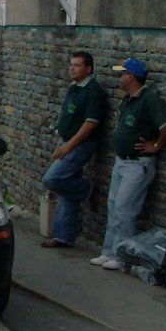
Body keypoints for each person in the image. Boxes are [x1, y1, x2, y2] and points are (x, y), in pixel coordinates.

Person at [91, 57, 166, 271]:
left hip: (137, 165)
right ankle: (109, 251)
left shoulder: (149, 99)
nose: (119, 78)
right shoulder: (128, 100)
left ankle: (123, 256)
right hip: (122, 161)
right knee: (113, 206)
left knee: (125, 209)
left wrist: (155, 145)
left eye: (122, 74)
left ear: (131, 76)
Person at [40, 51, 106, 248]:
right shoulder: (74, 88)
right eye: (71, 64)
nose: (72, 68)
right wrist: (61, 142)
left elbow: (90, 123)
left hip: (79, 145)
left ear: (88, 69)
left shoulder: (93, 91)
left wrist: (68, 146)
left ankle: (87, 189)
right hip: (66, 141)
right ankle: (64, 237)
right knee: (66, 191)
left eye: (77, 65)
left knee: (52, 179)